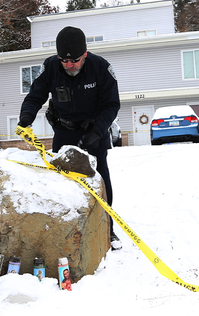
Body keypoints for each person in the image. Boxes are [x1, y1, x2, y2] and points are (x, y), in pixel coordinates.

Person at [17, 26, 122, 250]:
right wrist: (26, 117)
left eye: (74, 60)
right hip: (64, 132)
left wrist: (97, 132)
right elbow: (35, 96)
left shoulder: (100, 67)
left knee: (100, 180)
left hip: (94, 133)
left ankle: (107, 229)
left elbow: (112, 105)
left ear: (84, 54)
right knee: (61, 183)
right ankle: (66, 230)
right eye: (64, 60)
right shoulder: (51, 67)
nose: (69, 65)